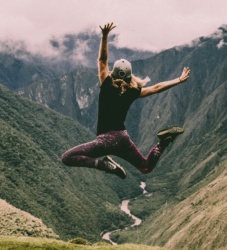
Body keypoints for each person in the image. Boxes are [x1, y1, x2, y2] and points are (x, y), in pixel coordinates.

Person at [62, 23, 190, 179]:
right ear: (130, 76)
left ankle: (106, 165)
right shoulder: (133, 91)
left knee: (67, 158)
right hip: (122, 139)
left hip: (105, 141)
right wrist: (178, 79)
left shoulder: (107, 84)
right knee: (146, 167)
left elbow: (102, 60)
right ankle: (163, 142)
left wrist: (104, 36)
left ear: (113, 73)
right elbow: (156, 88)